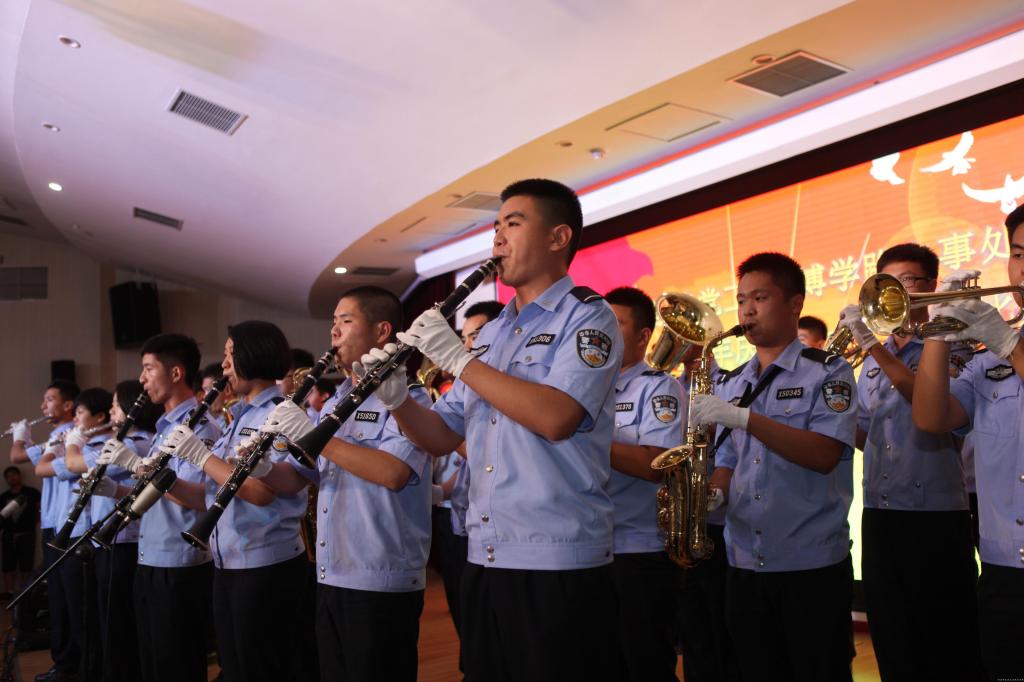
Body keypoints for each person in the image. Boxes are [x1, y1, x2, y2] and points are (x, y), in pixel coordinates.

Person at [383, 178, 625, 681]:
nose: (497, 239)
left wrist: (458, 360)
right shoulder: (492, 333)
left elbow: (557, 417)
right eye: (495, 226)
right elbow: (443, 435)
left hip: (557, 556)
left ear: (559, 238)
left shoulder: (588, 316)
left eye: (513, 224)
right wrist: (397, 399)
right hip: (486, 551)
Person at [256, 287, 433, 682]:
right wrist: (261, 468)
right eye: (332, 322)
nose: (333, 332)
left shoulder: (409, 399)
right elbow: (299, 478)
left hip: (380, 575)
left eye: (346, 321)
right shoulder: (338, 401)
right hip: (331, 572)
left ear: (382, 330)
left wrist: (316, 438)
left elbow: (393, 472)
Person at [697, 252, 857, 681]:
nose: (746, 310)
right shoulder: (733, 381)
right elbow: (728, 459)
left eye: (760, 297)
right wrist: (715, 490)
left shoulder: (829, 370)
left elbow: (824, 454)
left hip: (810, 564)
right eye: (742, 299)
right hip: (744, 561)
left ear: (794, 304)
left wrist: (746, 418)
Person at [839, 243, 981, 681]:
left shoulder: (956, 347)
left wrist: (871, 346)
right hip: (881, 515)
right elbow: (867, 434)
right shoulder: (874, 362)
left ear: (932, 287)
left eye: (907, 282)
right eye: (886, 284)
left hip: (937, 517)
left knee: (946, 645)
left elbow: (927, 403)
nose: (894, 294)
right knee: (892, 639)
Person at [156, 320, 317, 682]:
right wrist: (164, 480)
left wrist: (201, 457)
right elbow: (212, 497)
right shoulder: (236, 418)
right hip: (228, 563)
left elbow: (261, 492)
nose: (224, 365)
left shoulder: (277, 415)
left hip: (264, 565)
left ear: (254, 354)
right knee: (235, 666)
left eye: (231, 354)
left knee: (259, 668)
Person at [912, 204, 1024, 680]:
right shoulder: (991, 355)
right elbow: (931, 417)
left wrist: (1004, 341)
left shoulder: (1003, 344)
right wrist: (938, 327)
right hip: (1004, 571)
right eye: (1018, 254)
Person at [95, 334, 221, 682]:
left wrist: (139, 467)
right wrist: (116, 488)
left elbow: (199, 497)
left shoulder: (200, 427)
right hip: (149, 556)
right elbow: (155, 493)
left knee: (175, 664)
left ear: (176, 372)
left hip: (179, 562)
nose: (142, 378)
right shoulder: (163, 429)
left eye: (149, 368)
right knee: (151, 663)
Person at [604, 286, 685, 681]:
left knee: (645, 664)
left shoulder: (658, 388)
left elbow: (657, 464)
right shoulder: (580, 389)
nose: (601, 332)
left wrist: (584, 437)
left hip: (638, 551)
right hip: (588, 548)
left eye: (614, 324)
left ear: (642, 337)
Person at [65, 380, 161, 682]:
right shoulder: (131, 441)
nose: (111, 411)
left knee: (117, 625)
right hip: (115, 540)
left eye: (116, 405)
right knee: (111, 622)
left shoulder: (135, 443)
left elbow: (73, 462)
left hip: (124, 541)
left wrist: (73, 440)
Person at [432, 299, 504, 648]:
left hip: (511, 533)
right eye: (463, 337)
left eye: (473, 334)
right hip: (467, 522)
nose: (466, 345)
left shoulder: (505, 381)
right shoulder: (463, 385)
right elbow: (439, 438)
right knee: (473, 638)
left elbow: (485, 449)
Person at [674, 344, 740, 682]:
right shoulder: (670, 384)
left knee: (719, 624)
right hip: (679, 518)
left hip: (714, 520)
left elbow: (733, 445)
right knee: (691, 626)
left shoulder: (731, 382)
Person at [9, 379, 79, 682]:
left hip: (68, 524)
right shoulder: (56, 434)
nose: (42, 406)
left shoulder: (67, 435)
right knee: (58, 599)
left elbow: (17, 457)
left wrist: (19, 438)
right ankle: (63, 663)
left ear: (68, 405)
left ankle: (68, 665)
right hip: (54, 523)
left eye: (49, 399)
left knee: (68, 600)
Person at [0, 467, 40, 595]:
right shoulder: (3, 497)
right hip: (8, 535)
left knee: (26, 565)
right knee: (7, 565)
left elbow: (40, 509)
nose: (12, 478)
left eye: (14, 475)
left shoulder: (32, 493)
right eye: (9, 476)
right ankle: (8, 593)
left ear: (19, 476)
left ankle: (24, 594)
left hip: (27, 534)